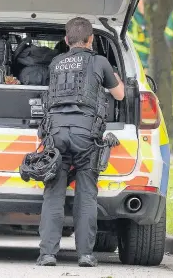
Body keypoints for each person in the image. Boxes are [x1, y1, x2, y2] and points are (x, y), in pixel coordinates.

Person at [37, 17, 125, 267]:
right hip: (87, 135)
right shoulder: (100, 62)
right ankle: (85, 254)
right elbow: (119, 94)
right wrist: (114, 76)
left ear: (66, 40)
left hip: (56, 134)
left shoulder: (55, 63)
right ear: (91, 39)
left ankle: (47, 255)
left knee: (53, 194)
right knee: (86, 194)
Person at [127, 0, 150, 72]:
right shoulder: (132, 17)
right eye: (141, 0)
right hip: (134, 58)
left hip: (143, 59)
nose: (144, 3)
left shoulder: (142, 18)